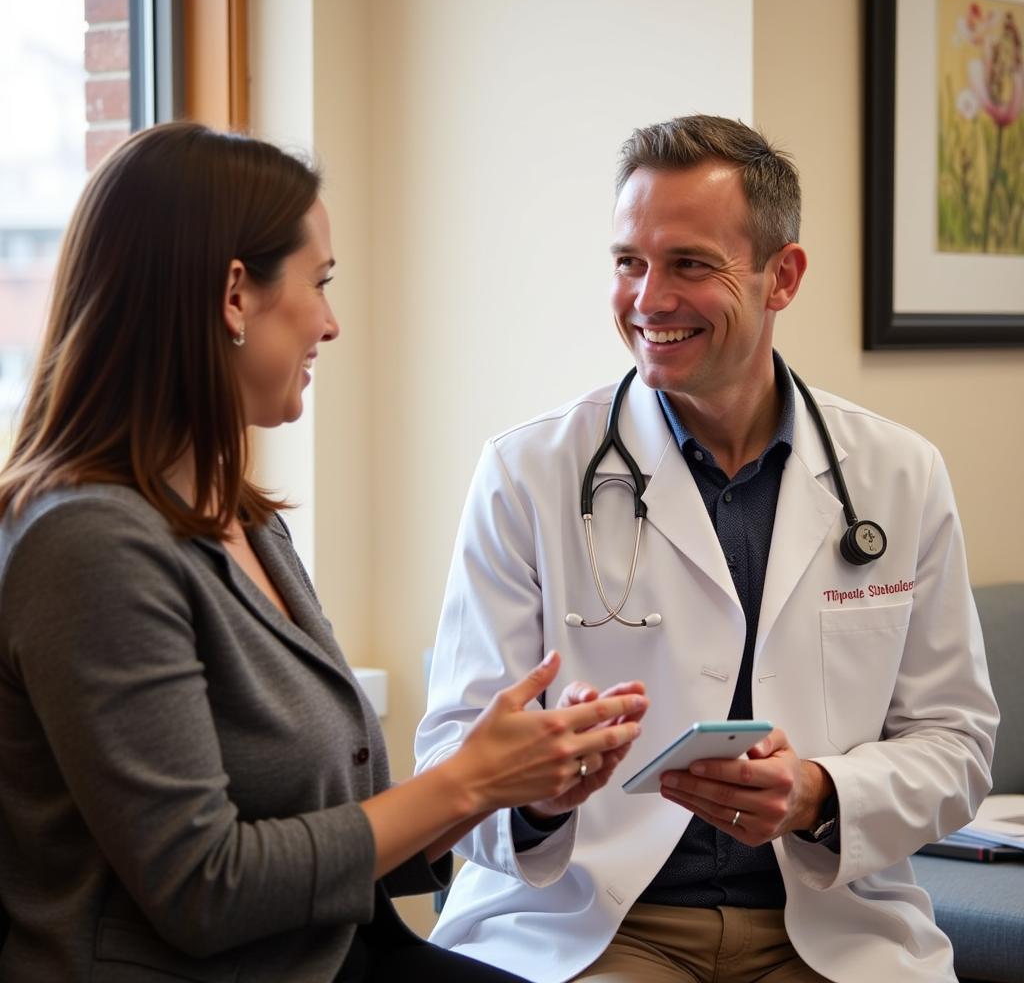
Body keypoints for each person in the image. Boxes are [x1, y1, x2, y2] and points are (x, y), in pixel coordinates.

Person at [0, 122, 650, 983]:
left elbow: (343, 823)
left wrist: (510, 786)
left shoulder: (244, 521)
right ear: (236, 295)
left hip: (339, 956)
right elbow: (205, 889)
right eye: (321, 282)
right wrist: (467, 784)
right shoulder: (86, 547)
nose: (333, 323)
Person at [415, 115, 999, 983]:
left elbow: (956, 739)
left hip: (829, 930)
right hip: (598, 926)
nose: (649, 299)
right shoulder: (526, 472)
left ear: (783, 276)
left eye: (690, 264)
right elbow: (452, 754)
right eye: (628, 263)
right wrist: (535, 795)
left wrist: (819, 794)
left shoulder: (897, 474)